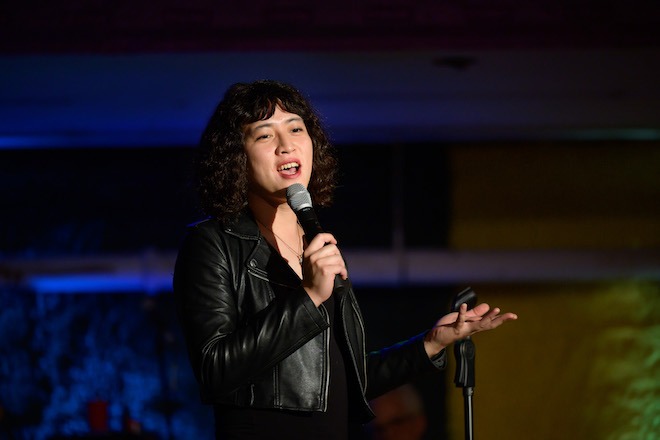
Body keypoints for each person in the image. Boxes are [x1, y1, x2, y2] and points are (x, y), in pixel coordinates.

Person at [172, 80, 517, 439]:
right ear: (235, 157)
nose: (287, 145)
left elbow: (341, 379)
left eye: (295, 129)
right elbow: (215, 369)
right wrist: (308, 298)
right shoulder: (212, 244)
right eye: (264, 136)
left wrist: (432, 342)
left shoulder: (316, 244)